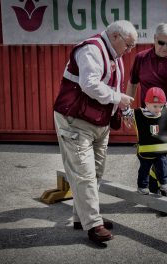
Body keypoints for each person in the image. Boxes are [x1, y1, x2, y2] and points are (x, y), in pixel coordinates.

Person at [53, 20, 137, 244]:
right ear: (116, 36)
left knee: (96, 172)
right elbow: (89, 84)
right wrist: (119, 99)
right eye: (128, 45)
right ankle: (93, 224)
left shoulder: (114, 56)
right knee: (85, 173)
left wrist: (125, 111)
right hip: (76, 121)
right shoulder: (91, 49)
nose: (129, 51)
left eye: (132, 47)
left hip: (99, 123)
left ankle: (83, 217)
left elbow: (113, 88)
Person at [125, 23, 167, 200]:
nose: (165, 47)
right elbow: (132, 83)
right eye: (161, 42)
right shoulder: (141, 58)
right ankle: (165, 196)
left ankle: (159, 191)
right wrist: (127, 108)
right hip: (149, 122)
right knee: (151, 158)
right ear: (154, 39)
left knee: (165, 162)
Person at [123, 87, 167, 195]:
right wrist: (124, 103)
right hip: (145, 152)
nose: (158, 109)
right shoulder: (138, 114)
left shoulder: (165, 111)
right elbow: (127, 113)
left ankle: (163, 182)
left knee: (163, 165)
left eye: (161, 106)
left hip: (160, 151)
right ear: (147, 104)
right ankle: (142, 186)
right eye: (155, 106)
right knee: (144, 169)